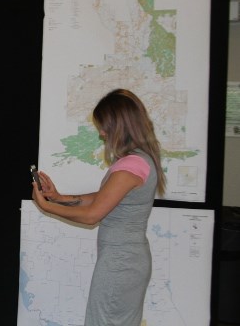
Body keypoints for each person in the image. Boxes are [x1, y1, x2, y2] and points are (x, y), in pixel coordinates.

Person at [31, 88, 166, 326]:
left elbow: (93, 215)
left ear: (120, 126)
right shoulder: (138, 160)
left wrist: (47, 207)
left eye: (104, 127)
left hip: (121, 263)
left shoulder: (131, 165)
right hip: (125, 260)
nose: (102, 133)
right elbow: (102, 198)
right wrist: (59, 198)